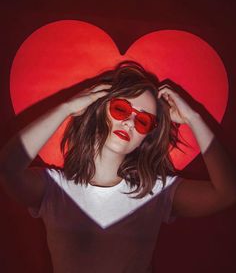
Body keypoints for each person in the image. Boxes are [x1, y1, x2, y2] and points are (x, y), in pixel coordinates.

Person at [0, 61, 235, 273]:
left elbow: (227, 193)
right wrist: (67, 108)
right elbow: (7, 169)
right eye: (121, 109)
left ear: (147, 137)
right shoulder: (54, 187)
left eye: (143, 121)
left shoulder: (156, 191)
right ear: (99, 108)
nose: (130, 122)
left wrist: (193, 117)